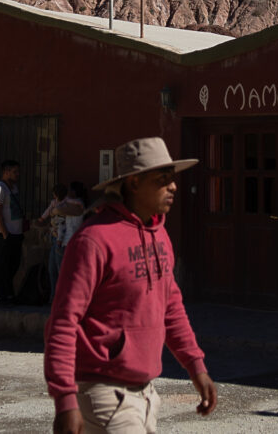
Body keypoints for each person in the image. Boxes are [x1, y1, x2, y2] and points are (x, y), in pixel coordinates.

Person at [44, 137, 217, 433]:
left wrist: (196, 366)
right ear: (134, 183)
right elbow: (62, 322)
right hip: (104, 392)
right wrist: (65, 400)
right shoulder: (93, 240)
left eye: (173, 179)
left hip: (147, 393)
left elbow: (171, 308)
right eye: (163, 179)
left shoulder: (160, 235)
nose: (173, 186)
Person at [0, 159, 25, 304]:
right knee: (3, 264)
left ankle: (9, 292)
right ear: (6, 172)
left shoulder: (14, 188)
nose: (17, 174)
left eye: (18, 171)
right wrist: (5, 233)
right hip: (5, 234)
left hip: (17, 233)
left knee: (14, 263)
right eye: (14, 171)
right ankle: (1, 295)